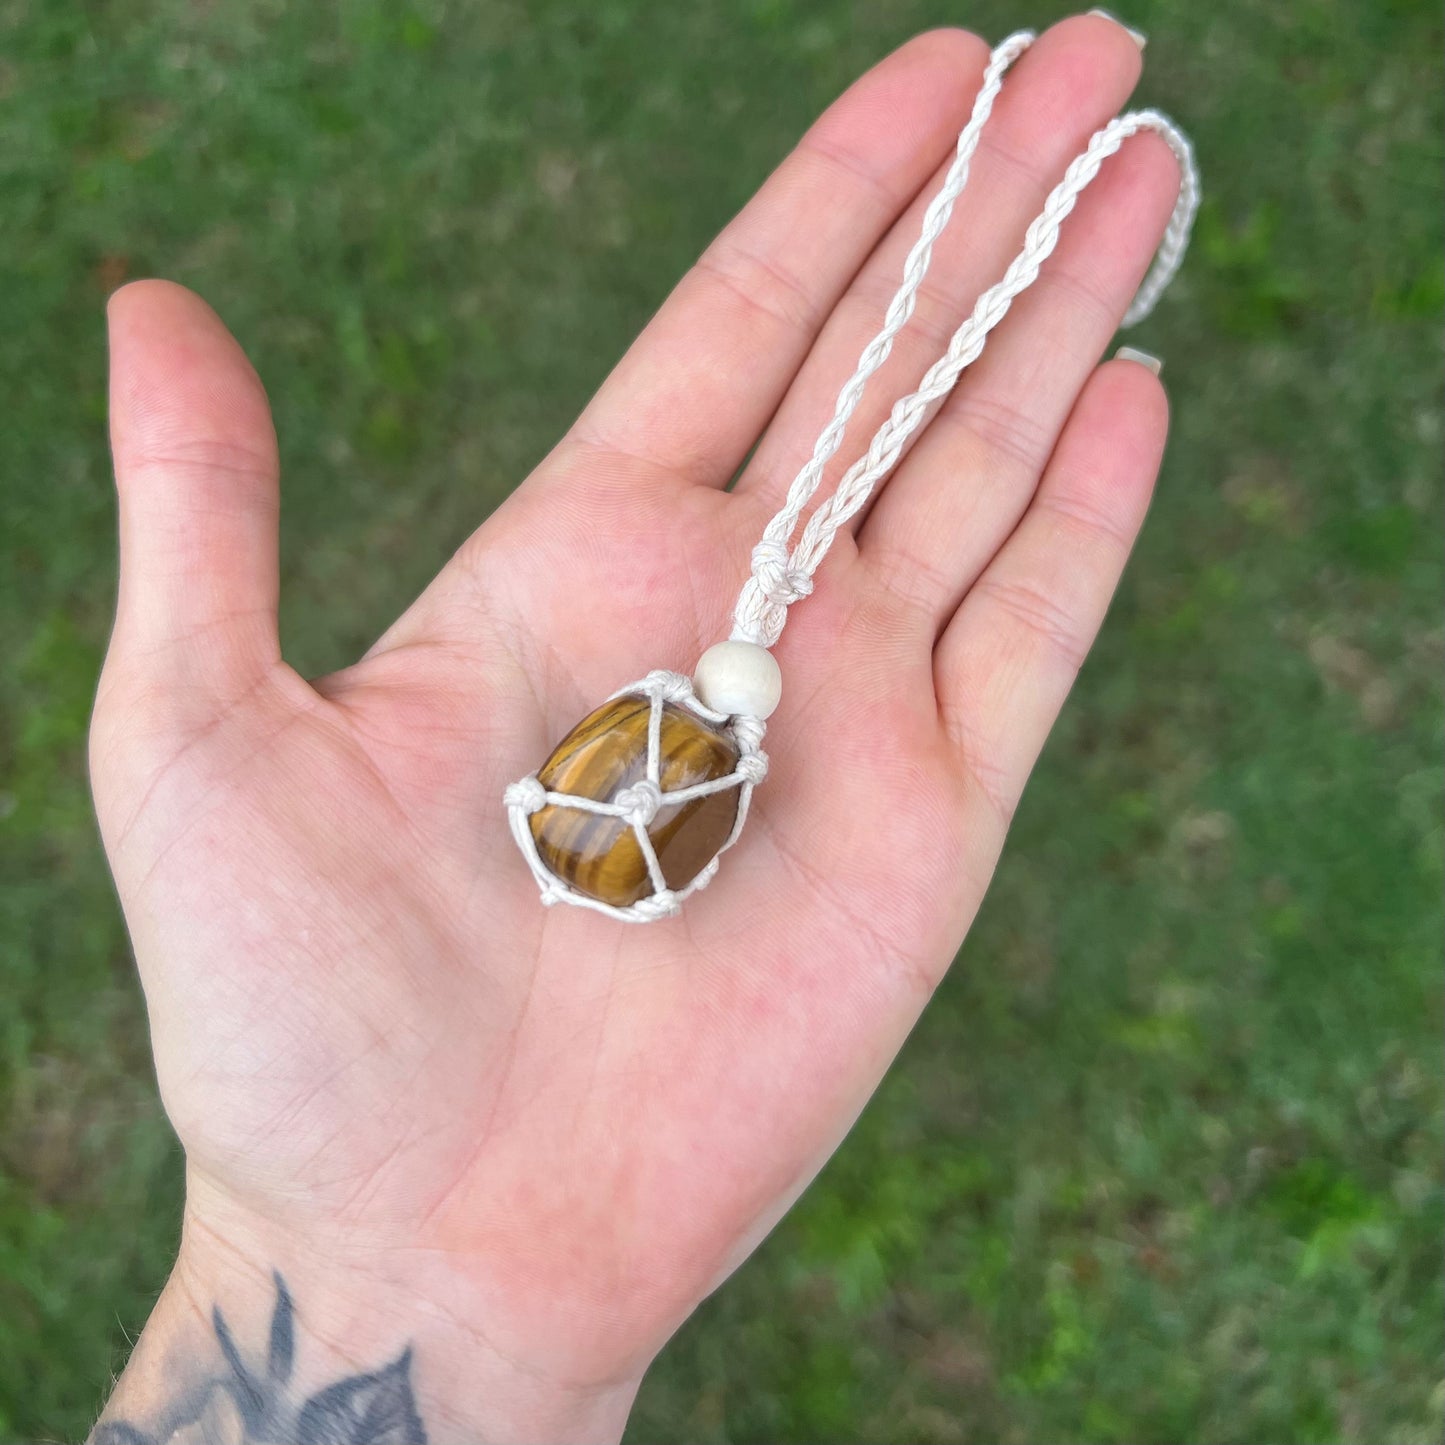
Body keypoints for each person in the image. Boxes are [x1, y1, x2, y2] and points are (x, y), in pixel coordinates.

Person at [89, 13, 1178, 1443]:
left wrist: (353, 1265)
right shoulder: (680, 758)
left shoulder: (683, 756)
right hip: (639, 788)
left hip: (644, 785)